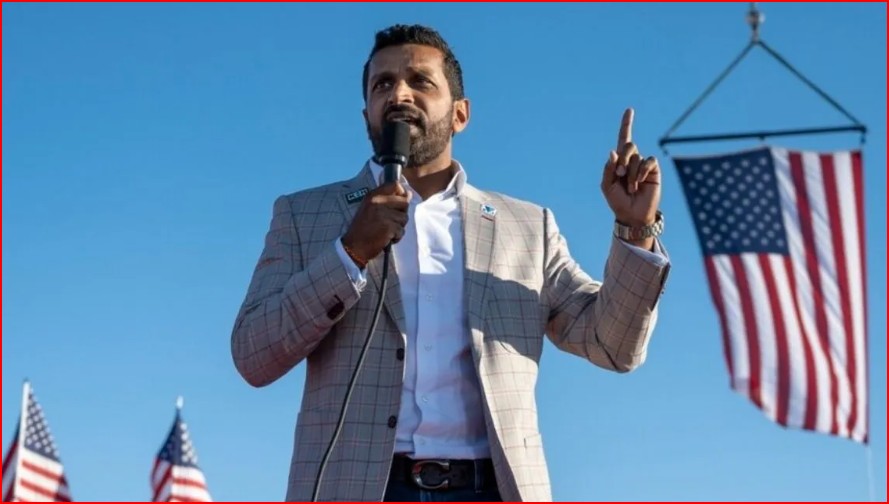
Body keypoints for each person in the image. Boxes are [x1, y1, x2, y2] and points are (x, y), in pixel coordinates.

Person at [231, 24, 670, 502]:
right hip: (358, 488)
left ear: (460, 114)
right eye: (382, 84)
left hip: (491, 488)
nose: (399, 94)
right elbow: (254, 355)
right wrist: (350, 253)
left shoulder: (527, 227)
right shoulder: (304, 215)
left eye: (420, 81)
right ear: (366, 115)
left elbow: (613, 345)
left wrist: (635, 230)